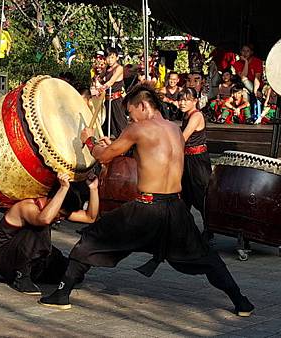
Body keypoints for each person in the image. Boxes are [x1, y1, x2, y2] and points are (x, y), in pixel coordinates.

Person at [39, 83, 253, 317]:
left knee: (91, 239)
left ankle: (61, 294)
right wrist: (118, 145)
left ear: (142, 105)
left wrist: (90, 140)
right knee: (205, 257)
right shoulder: (174, 129)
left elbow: (103, 157)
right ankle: (241, 301)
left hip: (146, 209)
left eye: (130, 113)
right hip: (176, 209)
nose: (130, 119)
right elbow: (152, 155)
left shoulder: (138, 129)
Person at [0, 173, 99, 295]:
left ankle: (34, 272)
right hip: (6, 257)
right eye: (59, 214)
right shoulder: (27, 206)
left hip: (33, 256)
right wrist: (63, 188)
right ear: (53, 199)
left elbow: (90, 217)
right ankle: (21, 276)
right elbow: (44, 219)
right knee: (40, 227)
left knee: (72, 273)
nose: (59, 218)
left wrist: (93, 189)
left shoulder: (58, 209)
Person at [179, 88, 211, 235]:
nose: (182, 103)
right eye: (180, 99)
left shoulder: (196, 116)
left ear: (195, 101)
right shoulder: (186, 115)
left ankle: (209, 228)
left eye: (186, 100)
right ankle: (183, 229)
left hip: (198, 161)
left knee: (200, 194)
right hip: (187, 159)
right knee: (185, 194)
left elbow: (182, 138)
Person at [99, 47, 127, 138]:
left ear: (117, 58)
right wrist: (96, 82)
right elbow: (99, 78)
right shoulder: (106, 68)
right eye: (108, 57)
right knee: (107, 124)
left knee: (120, 123)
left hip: (116, 100)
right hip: (107, 100)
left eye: (112, 57)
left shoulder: (119, 68)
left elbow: (111, 82)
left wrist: (101, 87)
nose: (110, 60)